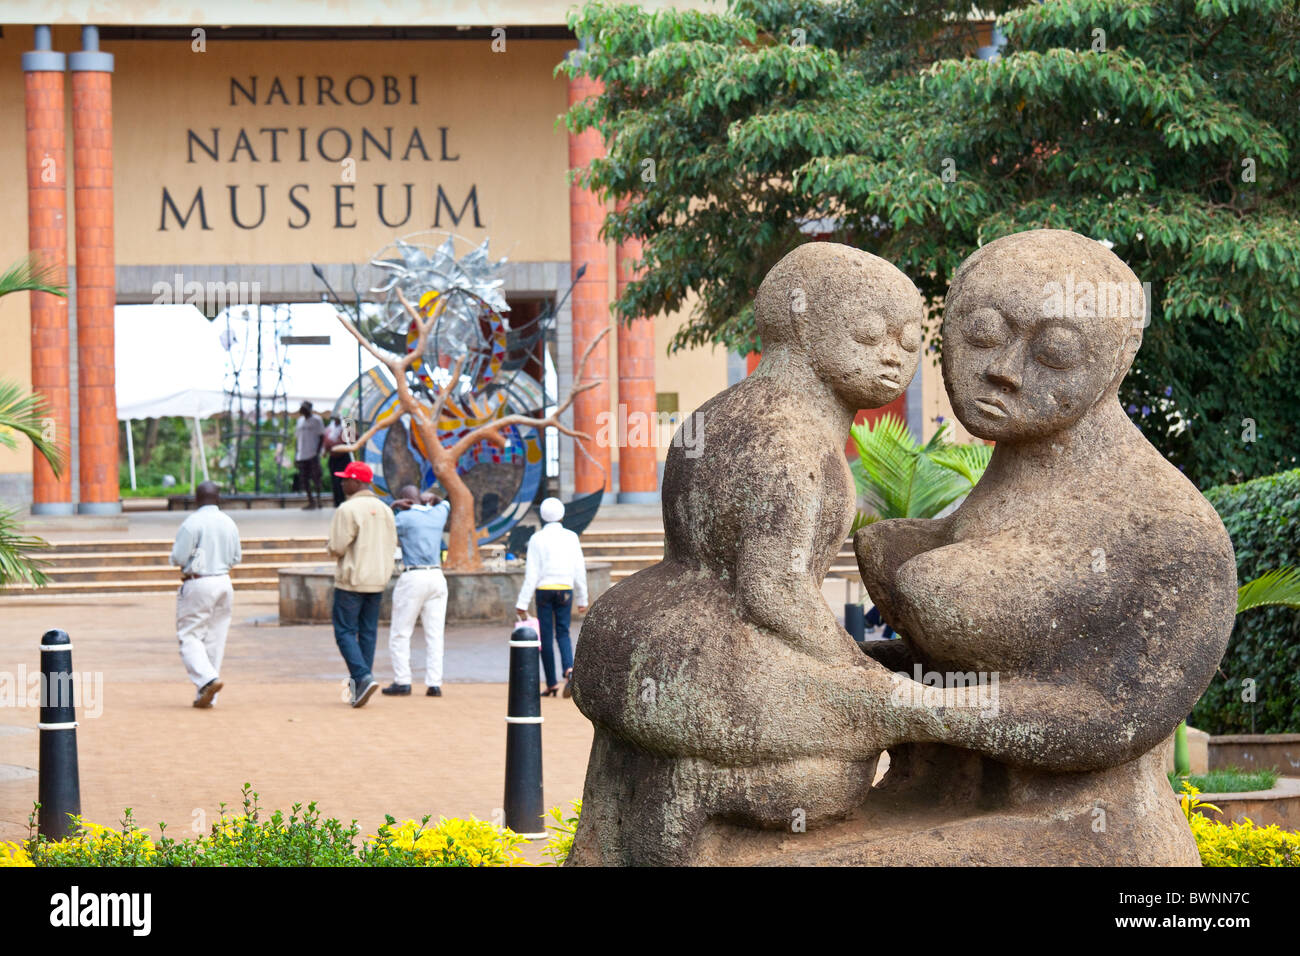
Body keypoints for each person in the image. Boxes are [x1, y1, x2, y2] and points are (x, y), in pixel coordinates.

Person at [327, 461, 398, 708]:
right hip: (378, 579)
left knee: (344, 631)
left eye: (346, 478)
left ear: (357, 482)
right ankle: (361, 685)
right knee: (367, 632)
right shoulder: (386, 509)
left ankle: (362, 676)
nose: (342, 482)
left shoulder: (348, 509)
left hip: (352, 580)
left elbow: (337, 547)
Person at [169, 481, 242, 708]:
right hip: (224, 582)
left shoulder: (193, 523)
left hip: (199, 581)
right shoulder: (229, 522)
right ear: (219, 498)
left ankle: (207, 680)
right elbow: (236, 558)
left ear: (197, 498)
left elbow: (179, 558)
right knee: (215, 639)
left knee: (190, 635)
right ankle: (208, 693)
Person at [382, 484, 452, 698]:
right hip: (437, 576)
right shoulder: (437, 514)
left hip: (413, 576)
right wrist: (433, 498)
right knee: (435, 633)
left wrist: (393, 506)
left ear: (404, 501)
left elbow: (383, 523)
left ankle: (403, 681)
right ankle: (434, 683)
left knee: (401, 632)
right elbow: (447, 504)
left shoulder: (403, 518)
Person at [515, 497, 588, 698]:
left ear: (542, 516)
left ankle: (551, 683)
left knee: (545, 636)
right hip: (565, 588)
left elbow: (532, 573)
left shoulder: (537, 538)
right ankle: (569, 670)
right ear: (562, 515)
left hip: (544, 589)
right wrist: (583, 599)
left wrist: (522, 603)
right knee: (563, 633)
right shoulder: (572, 537)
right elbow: (578, 569)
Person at [295, 400, 326, 510]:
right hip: (301, 455)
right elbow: (297, 439)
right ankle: (310, 501)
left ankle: (319, 500)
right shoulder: (300, 421)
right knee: (304, 480)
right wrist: (296, 455)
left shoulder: (317, 420)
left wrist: (317, 452)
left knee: (316, 478)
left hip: (312, 454)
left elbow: (322, 436)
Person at [323, 414, 352, 508]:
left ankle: (343, 501)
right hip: (333, 458)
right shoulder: (330, 427)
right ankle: (337, 501)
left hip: (344, 457)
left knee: (343, 480)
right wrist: (325, 451)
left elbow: (352, 439)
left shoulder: (348, 423)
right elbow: (326, 441)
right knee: (335, 481)